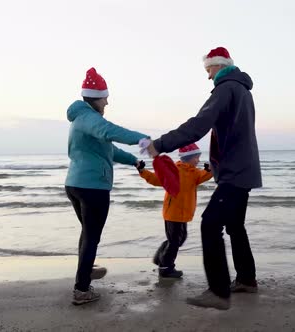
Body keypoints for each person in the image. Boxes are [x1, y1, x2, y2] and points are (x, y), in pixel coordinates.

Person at [145, 47, 262, 310]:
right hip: (244, 169)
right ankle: (246, 279)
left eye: (208, 69)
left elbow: (198, 125)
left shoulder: (226, 88)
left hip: (234, 171)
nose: (208, 76)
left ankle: (219, 291)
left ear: (218, 66)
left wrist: (160, 144)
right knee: (235, 227)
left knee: (209, 224)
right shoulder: (242, 90)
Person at [65, 67, 149, 305]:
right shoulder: (90, 119)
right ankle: (81, 289)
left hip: (76, 184)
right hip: (92, 188)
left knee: (88, 234)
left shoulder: (82, 119)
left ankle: (86, 271)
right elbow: (109, 131)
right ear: (95, 97)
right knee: (92, 237)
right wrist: (143, 140)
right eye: (105, 97)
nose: (108, 102)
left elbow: (108, 149)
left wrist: (133, 159)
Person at [137, 143, 213, 278]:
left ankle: (160, 257)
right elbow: (156, 179)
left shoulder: (194, 173)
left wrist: (209, 170)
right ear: (189, 157)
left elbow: (203, 176)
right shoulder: (173, 170)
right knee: (174, 242)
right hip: (172, 213)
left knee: (179, 239)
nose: (199, 161)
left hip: (185, 213)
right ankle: (166, 268)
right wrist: (143, 171)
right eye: (197, 158)